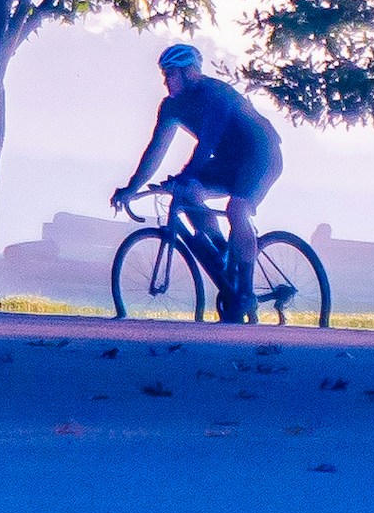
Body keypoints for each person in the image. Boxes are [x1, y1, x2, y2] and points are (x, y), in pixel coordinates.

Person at [125, 41, 293, 315]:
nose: (166, 81)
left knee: (236, 209)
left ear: (190, 73)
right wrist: (131, 187)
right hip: (228, 161)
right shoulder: (171, 107)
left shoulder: (216, 94)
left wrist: (185, 174)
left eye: (171, 74)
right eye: (164, 75)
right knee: (187, 193)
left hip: (261, 154)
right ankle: (222, 248)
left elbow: (207, 144)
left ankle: (246, 294)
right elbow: (155, 150)